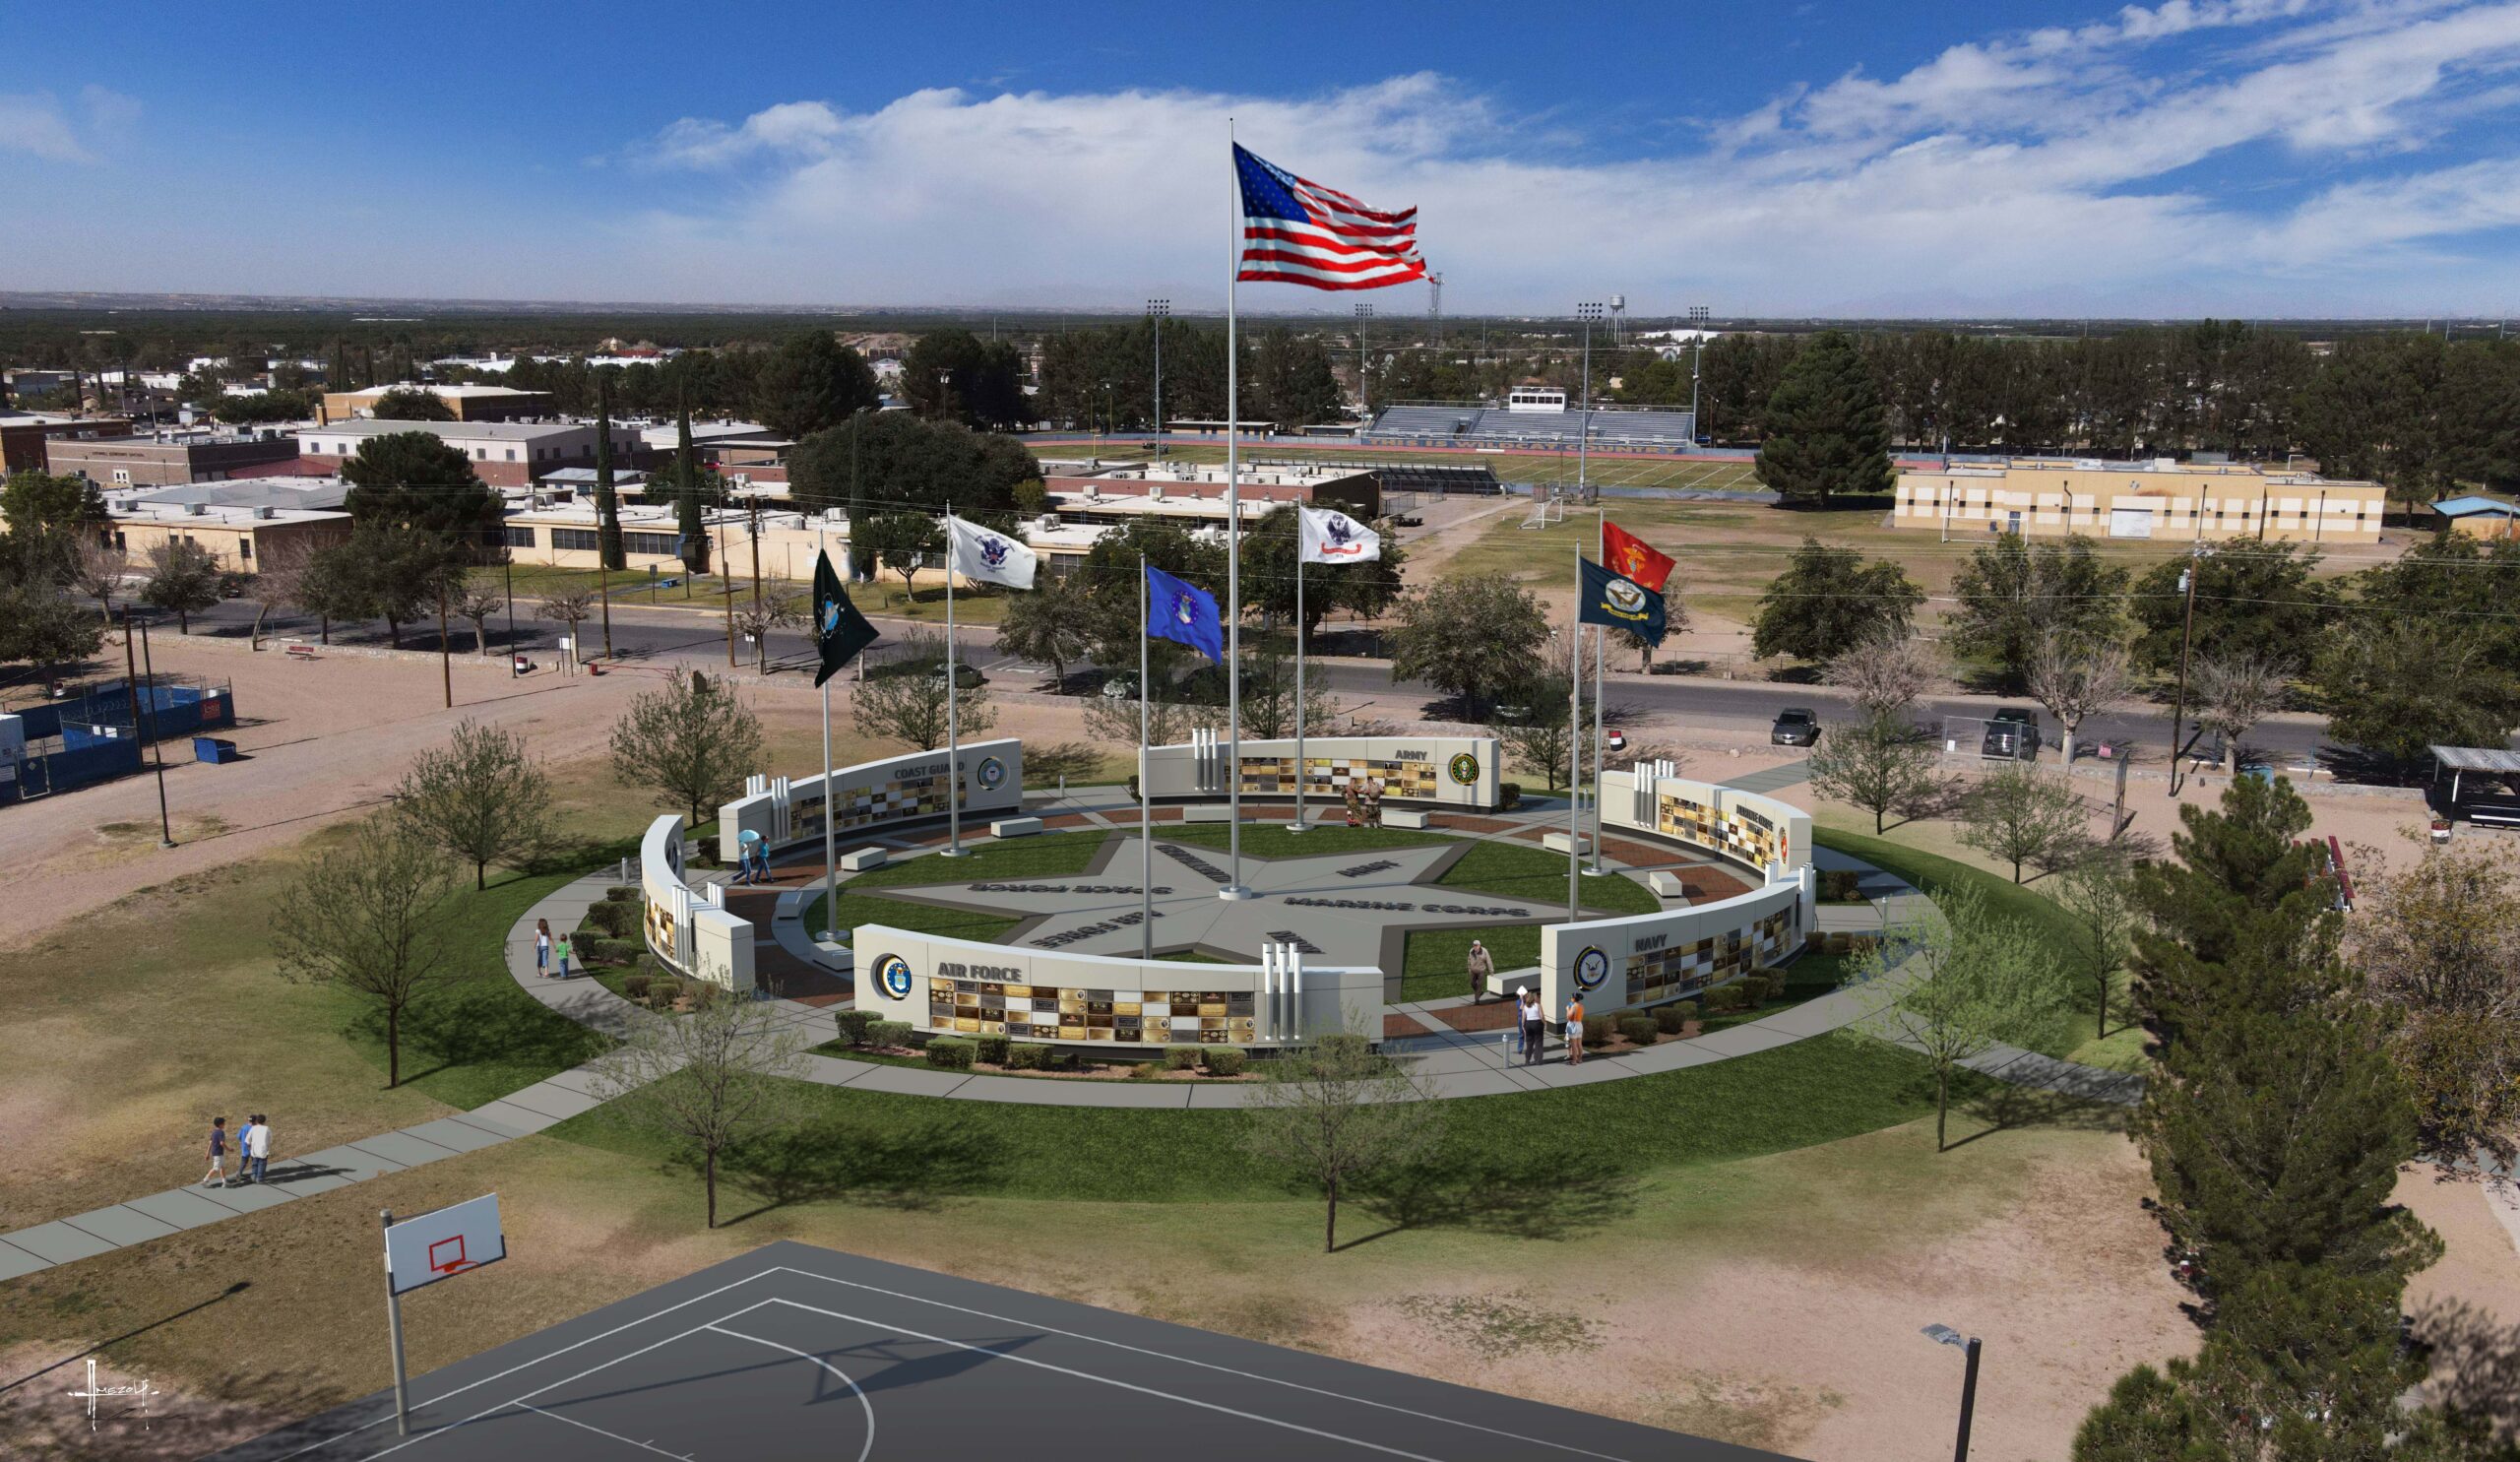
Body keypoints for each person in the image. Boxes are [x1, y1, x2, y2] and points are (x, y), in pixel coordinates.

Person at [1519, 989, 1544, 1065]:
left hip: (1528, 1024)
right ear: (1533, 998)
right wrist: (1544, 1023)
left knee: (1529, 1043)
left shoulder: (1525, 1007)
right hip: (1537, 1023)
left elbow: (1523, 1018)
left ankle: (1527, 1060)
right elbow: (1542, 1016)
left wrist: (1523, 1026)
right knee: (1538, 1043)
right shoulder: (1538, 1005)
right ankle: (1538, 1060)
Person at [202, 1116, 228, 1187]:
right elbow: (222, 1143)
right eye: (223, 1123)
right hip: (218, 1153)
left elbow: (210, 1143)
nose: (224, 1124)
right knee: (216, 1168)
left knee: (222, 1166)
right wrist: (229, 1149)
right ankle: (205, 1180)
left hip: (215, 1152)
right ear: (220, 1125)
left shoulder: (214, 1132)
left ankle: (224, 1181)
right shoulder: (221, 1132)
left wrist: (207, 1153)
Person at [1465, 939, 1494, 1003]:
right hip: (1473, 971)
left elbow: (1489, 961)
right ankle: (1479, 992)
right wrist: (1469, 969)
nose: (1475, 947)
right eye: (1474, 945)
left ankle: (1477, 999)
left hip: (1481, 971)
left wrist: (1491, 971)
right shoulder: (1471, 951)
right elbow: (1469, 960)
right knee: (1472, 983)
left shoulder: (1484, 951)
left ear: (1479, 945)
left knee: (1479, 985)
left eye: (1476, 945)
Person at [246, 1113, 271, 1184]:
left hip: (254, 1150)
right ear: (264, 1121)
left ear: (256, 1121)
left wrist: (249, 1147)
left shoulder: (253, 1128)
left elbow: (247, 1140)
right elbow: (270, 1139)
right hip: (263, 1150)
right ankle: (259, 1178)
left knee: (255, 1163)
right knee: (262, 1164)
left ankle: (253, 1176)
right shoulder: (267, 1129)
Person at [231, 1114, 256, 1183]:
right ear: (255, 1121)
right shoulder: (254, 1129)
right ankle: (254, 1175)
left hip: (244, 1147)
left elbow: (238, 1136)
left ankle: (239, 1173)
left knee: (244, 1161)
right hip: (252, 1147)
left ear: (248, 1120)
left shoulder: (243, 1127)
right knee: (254, 1161)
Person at [1564, 995, 1586, 1065]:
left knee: (1573, 1045)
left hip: (1573, 1025)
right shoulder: (1581, 1006)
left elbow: (1568, 1017)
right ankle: (1580, 1059)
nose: (1570, 999)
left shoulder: (1574, 1006)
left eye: (1571, 998)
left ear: (1574, 999)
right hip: (1579, 1024)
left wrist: (1567, 1009)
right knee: (1579, 1044)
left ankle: (1574, 1061)